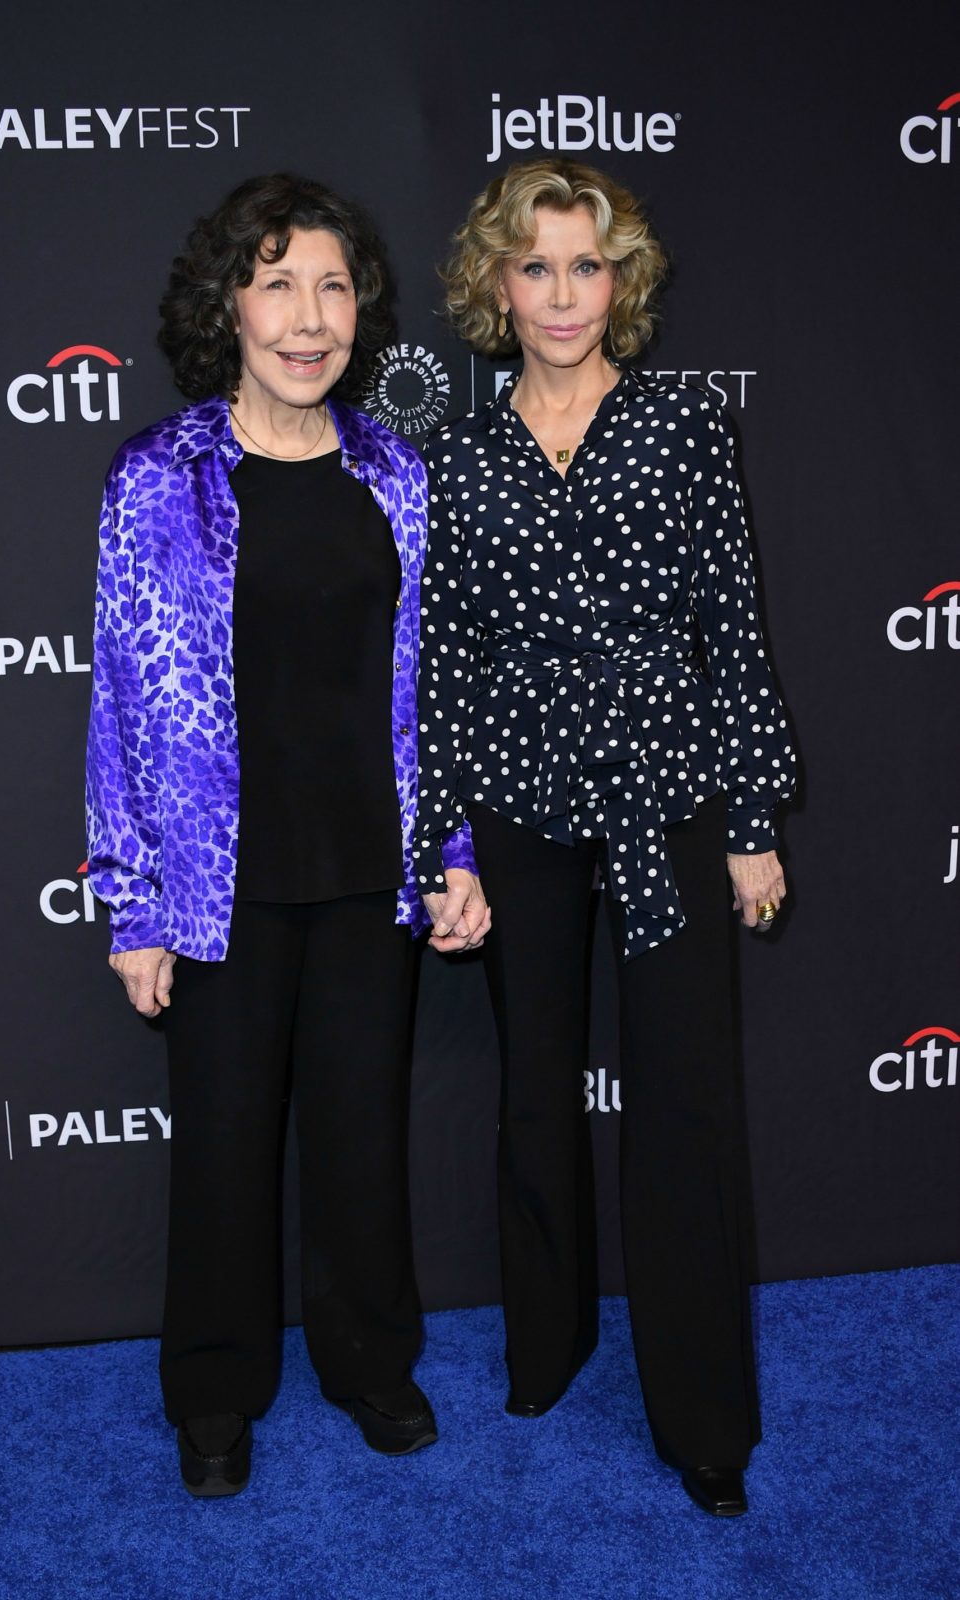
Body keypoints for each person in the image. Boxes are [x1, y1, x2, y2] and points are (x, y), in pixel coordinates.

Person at [85, 172, 489, 1498]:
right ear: (229, 307)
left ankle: (370, 1362)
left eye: (332, 286)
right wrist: (131, 904)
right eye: (279, 284)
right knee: (218, 1152)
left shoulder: (398, 477)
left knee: (360, 1139)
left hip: (369, 871)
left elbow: (436, 688)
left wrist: (458, 853)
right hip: (217, 886)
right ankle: (213, 1390)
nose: (310, 318)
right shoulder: (159, 479)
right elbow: (124, 704)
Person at [414, 158, 795, 1518]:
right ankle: (548, 1339)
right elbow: (445, 660)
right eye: (537, 265)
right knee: (532, 1090)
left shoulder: (688, 425)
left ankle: (705, 1420)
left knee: (686, 1106)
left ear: (618, 280)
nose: (563, 292)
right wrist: (442, 845)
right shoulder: (459, 455)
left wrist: (752, 820)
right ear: (495, 284)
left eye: (588, 264)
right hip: (516, 796)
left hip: (670, 796)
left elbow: (733, 631)